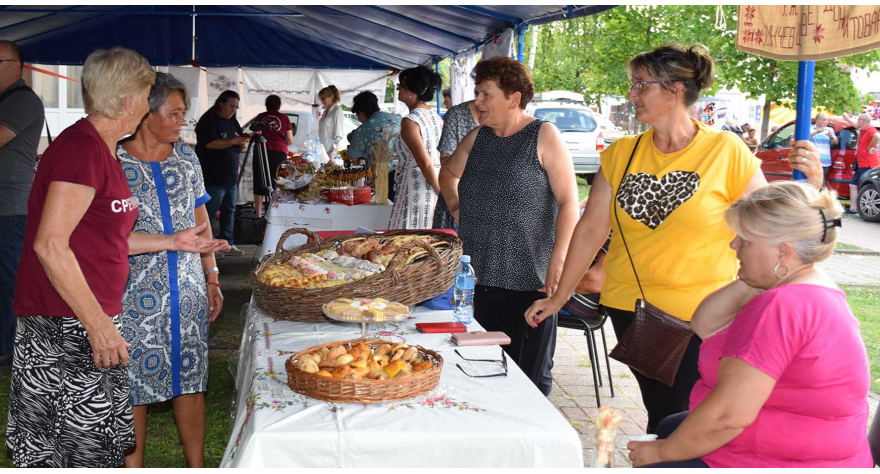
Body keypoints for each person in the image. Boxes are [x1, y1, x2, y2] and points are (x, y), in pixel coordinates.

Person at [524, 44, 824, 431]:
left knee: (685, 415)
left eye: (640, 85)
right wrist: (560, 296)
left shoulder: (725, 150)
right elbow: (592, 228)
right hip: (631, 310)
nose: (632, 95)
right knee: (663, 411)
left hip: (702, 315)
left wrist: (812, 186)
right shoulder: (622, 153)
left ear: (674, 91)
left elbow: (771, 220)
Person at [7, 47, 227, 468]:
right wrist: (99, 325)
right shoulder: (83, 151)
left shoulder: (98, 147)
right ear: (130, 101)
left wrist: (171, 242)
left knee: (95, 446)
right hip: (66, 323)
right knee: (72, 451)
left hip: (83, 317)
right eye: (148, 95)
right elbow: (50, 245)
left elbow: (104, 239)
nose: (149, 105)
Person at [628, 182, 872, 468]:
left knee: (661, 449)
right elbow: (704, 324)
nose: (733, 245)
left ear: (783, 251)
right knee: (671, 423)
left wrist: (660, 454)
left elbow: (728, 416)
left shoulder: (783, 306)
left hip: (780, 463)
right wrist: (758, 277)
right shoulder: (809, 285)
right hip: (802, 454)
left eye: (744, 239)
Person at [440, 56, 579, 395]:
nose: (478, 102)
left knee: (528, 373)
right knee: (480, 365)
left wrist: (558, 260)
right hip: (477, 277)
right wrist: (458, 207)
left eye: (486, 94)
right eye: (477, 93)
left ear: (514, 98)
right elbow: (447, 174)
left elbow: (569, 203)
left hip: (529, 277)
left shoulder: (543, 135)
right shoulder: (478, 137)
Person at [117, 72, 226, 468]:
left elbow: (201, 216)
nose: (183, 120)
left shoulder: (187, 157)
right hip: (132, 293)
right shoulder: (115, 161)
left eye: (185, 113)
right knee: (134, 387)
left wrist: (211, 274)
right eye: (175, 112)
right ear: (146, 113)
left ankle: (196, 466)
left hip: (188, 287)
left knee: (190, 379)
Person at [0, 40, 44, 369]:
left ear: (16, 66)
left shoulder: (22, 100)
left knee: (10, 279)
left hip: (11, 205)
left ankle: (11, 348)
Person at [388, 66, 444, 229]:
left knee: (412, 242)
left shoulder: (410, 121)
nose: (397, 89)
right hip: (436, 182)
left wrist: (441, 193)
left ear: (412, 92)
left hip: (417, 187)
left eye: (401, 86)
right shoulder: (435, 117)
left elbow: (424, 163)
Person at [196, 90, 248, 256]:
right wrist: (233, 141)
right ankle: (208, 246)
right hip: (213, 175)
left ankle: (227, 243)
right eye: (231, 106)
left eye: (236, 107)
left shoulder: (232, 121)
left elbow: (240, 140)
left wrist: (241, 143)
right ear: (221, 103)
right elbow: (209, 144)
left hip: (230, 175)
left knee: (229, 210)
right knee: (210, 212)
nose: (233, 110)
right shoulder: (208, 120)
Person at [432, 99, 480, 231]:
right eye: (480, 92)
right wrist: (455, 207)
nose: (480, 99)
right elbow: (446, 164)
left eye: (487, 94)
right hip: (458, 202)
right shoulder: (458, 115)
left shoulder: (526, 129)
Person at [252, 95, 293, 218]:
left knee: (259, 181)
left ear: (266, 105)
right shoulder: (284, 118)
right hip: (279, 152)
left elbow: (255, 134)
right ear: (279, 106)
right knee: (277, 182)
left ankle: (258, 214)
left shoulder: (260, 117)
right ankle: (274, 214)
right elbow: (290, 140)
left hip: (260, 151)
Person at [347, 90, 402, 167]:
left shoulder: (363, 129)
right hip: (403, 168)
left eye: (357, 114)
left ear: (361, 112)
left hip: (381, 173)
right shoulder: (397, 118)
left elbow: (351, 158)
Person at [842, 112, 879, 214]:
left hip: (867, 163)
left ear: (864, 121)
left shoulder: (870, 130)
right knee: (856, 185)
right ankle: (855, 208)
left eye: (859, 120)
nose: (857, 122)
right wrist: (848, 119)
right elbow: (855, 125)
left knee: (854, 185)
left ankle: (854, 208)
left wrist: (870, 147)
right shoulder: (864, 129)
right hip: (862, 163)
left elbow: (877, 137)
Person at [318, 85, 348, 157]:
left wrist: (332, 152)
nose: (322, 101)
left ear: (331, 97)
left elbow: (339, 135)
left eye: (323, 98)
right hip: (323, 149)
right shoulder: (326, 111)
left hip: (331, 151)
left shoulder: (337, 111)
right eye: (321, 99)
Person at [810, 112, 838, 180]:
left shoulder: (829, 130)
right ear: (817, 121)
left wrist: (831, 137)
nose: (826, 122)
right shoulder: (811, 129)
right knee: (814, 180)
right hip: (814, 160)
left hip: (826, 161)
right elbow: (806, 137)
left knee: (823, 181)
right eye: (824, 120)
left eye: (827, 120)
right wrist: (817, 131)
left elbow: (836, 142)